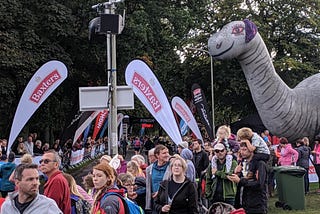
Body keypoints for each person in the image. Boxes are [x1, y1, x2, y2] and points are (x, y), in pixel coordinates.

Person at [227, 141, 268, 214]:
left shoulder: (260, 164)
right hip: (243, 203)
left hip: (256, 205)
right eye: (241, 149)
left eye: (244, 149)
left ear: (251, 150)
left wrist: (240, 181)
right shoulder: (242, 163)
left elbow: (259, 184)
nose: (242, 152)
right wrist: (236, 174)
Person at [145, 144, 171, 213]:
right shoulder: (149, 169)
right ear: (157, 155)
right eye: (164, 153)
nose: (167, 155)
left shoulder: (171, 167)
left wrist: (160, 192)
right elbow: (148, 187)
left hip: (167, 202)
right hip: (155, 203)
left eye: (168, 152)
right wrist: (148, 205)